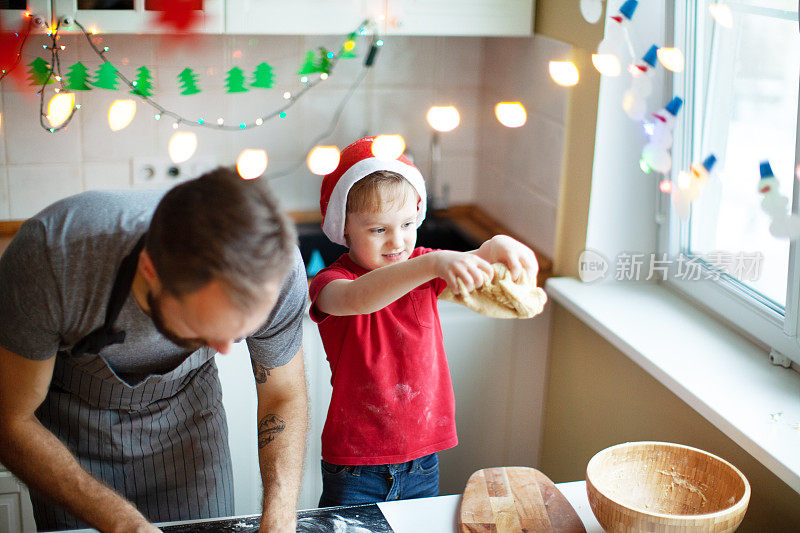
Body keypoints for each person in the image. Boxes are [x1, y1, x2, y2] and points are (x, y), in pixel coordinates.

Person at [0, 168, 308, 532]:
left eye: (239, 332)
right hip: (69, 436)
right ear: (150, 270)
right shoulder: (52, 258)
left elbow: (282, 393)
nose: (225, 350)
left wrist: (280, 515)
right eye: (204, 328)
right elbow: (10, 420)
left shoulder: (279, 267)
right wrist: (124, 524)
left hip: (190, 424)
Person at [308, 136, 539, 507]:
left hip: (422, 460)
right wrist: (431, 263)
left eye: (407, 223)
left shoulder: (424, 266)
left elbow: (475, 264)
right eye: (378, 229)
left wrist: (495, 247)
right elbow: (360, 299)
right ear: (344, 228)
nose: (397, 241)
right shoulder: (332, 284)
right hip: (356, 466)